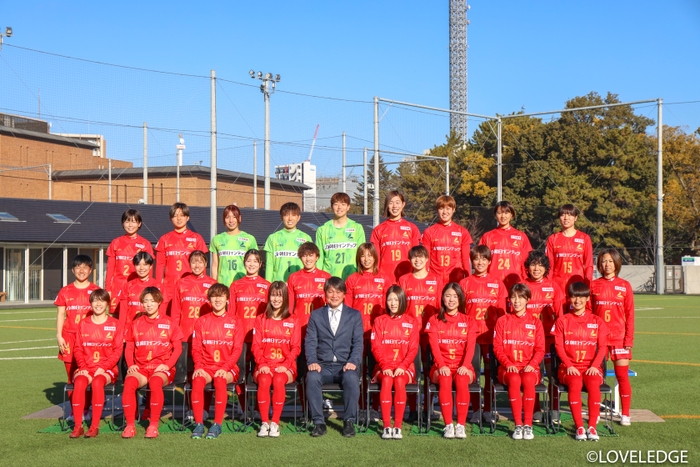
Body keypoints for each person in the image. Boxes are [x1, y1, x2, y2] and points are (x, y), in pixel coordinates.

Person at [305, 277, 364, 438]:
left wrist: (353, 361)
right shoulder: (316, 315)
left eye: (338, 292)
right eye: (330, 292)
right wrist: (312, 361)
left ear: (344, 294)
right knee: (312, 377)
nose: (334, 295)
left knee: (351, 378)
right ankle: (318, 422)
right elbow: (310, 342)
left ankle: (349, 421)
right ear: (325, 294)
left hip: (345, 365)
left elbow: (358, 343)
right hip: (322, 365)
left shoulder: (354, 315)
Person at [121, 287, 183, 439]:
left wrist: (167, 365)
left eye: (152, 301)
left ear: (159, 302)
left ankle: (153, 425)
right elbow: (129, 348)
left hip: (161, 368)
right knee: (129, 383)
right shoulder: (135, 323)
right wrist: (131, 365)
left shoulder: (169, 322)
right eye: (145, 301)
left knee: (155, 382)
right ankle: (130, 425)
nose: (149, 304)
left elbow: (178, 349)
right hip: (141, 369)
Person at [458, 245, 507, 424]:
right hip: (471, 338)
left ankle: (487, 409)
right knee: (472, 375)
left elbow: (502, 314)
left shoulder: (497, 283)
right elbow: (460, 313)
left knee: (489, 375)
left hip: (491, 337)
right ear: (472, 261)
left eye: (483, 259)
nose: (480, 262)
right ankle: (476, 409)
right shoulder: (464, 283)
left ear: (489, 261)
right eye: (476, 258)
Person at [190, 283, 245, 440]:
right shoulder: (201, 321)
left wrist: (226, 367)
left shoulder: (235, 321)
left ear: (227, 299)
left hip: (228, 368)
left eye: (221, 296)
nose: (217, 299)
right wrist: (198, 367)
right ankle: (199, 424)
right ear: (209, 300)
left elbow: (237, 349)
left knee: (220, 380)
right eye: (214, 296)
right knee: (197, 380)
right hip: (206, 366)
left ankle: (217, 424)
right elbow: (196, 348)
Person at [554, 282, 608, 441]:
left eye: (581, 297)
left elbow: (603, 347)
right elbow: (558, 347)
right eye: (573, 297)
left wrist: (595, 366)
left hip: (591, 367)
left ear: (587, 298)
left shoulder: (597, 321)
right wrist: (569, 365)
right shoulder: (562, 321)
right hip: (568, 368)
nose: (577, 300)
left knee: (593, 382)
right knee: (576, 382)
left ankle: (592, 427)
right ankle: (579, 427)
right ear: (569, 298)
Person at [424, 283, 478, 439]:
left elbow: (471, 348)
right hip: (441, 367)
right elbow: (434, 347)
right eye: (448, 296)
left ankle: (460, 425)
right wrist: (441, 365)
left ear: (460, 299)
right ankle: (448, 425)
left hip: (463, 367)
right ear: (442, 298)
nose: (451, 300)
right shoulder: (434, 320)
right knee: (445, 378)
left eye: (455, 296)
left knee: (461, 379)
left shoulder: (469, 320)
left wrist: (465, 366)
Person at [493, 283, 545, 441]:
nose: (516, 301)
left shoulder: (536, 323)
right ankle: (518, 425)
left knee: (528, 378)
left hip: (529, 368)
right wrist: (508, 364)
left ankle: (528, 425)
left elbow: (540, 349)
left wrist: (532, 365)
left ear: (527, 299)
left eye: (520, 297)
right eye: (513, 297)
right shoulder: (502, 321)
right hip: (507, 368)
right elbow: (497, 347)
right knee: (515, 379)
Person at [69, 288, 123, 438]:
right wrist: (83, 367)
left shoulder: (115, 324)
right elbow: (77, 348)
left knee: (98, 382)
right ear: (90, 303)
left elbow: (118, 350)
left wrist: (104, 367)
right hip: (86, 367)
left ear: (107, 303)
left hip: (106, 369)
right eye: (95, 301)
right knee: (80, 381)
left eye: (102, 301)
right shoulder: (83, 324)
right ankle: (78, 426)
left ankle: (94, 426)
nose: (98, 304)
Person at [590, 248, 634, 426]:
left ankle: (626, 414)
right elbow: (590, 313)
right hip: (598, 339)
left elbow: (630, 315)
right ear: (599, 264)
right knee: (596, 378)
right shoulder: (593, 285)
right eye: (603, 261)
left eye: (610, 261)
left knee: (622, 376)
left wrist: (628, 339)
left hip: (619, 338)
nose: (607, 264)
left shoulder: (625, 285)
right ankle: (595, 412)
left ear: (616, 263)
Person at [398, 245, 442, 422]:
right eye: (414, 257)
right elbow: (400, 307)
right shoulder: (404, 280)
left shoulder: (436, 280)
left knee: (430, 370)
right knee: (412, 370)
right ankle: (412, 409)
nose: (418, 260)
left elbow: (440, 307)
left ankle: (428, 408)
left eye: (421, 256)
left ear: (427, 259)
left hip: (430, 333)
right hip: (410, 333)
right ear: (410, 260)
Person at [252, 282, 301, 438]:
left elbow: (296, 347)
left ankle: (275, 423)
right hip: (264, 365)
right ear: (269, 297)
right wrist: (262, 364)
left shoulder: (293, 320)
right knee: (264, 380)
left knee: (279, 379)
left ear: (285, 297)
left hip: (286, 366)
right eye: (273, 295)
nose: (276, 299)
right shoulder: (260, 319)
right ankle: (264, 422)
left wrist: (286, 365)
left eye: (280, 295)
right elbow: (255, 346)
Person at [370, 285, 419, 440]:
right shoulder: (379, 321)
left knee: (398, 380)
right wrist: (384, 365)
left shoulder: (411, 322)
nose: (392, 303)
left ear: (402, 300)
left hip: (404, 368)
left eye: (396, 300)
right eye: (390, 299)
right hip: (383, 367)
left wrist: (403, 366)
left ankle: (397, 426)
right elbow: (375, 347)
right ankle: (386, 426)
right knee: (386, 379)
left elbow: (413, 349)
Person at [55, 254, 100, 418]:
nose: (81, 270)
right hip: (69, 338)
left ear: (90, 270)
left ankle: (86, 409)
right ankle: (75, 411)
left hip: (89, 338)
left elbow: (101, 315)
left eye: (85, 267)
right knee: (72, 376)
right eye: (78, 267)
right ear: (73, 270)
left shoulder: (96, 291)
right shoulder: (65, 291)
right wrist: (59, 336)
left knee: (88, 374)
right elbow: (61, 314)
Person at [523, 250, 565, 422]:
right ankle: (535, 409)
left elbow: (560, 316)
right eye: (533, 264)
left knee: (552, 374)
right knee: (533, 373)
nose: (536, 268)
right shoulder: (522, 286)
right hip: (527, 340)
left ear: (546, 268)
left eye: (540, 265)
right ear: (528, 267)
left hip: (548, 339)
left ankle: (554, 408)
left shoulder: (553, 287)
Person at [154, 202, 208, 311]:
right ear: (171, 219)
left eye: (182, 215)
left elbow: (202, 266)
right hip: (169, 288)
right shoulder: (164, 239)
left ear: (187, 218)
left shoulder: (197, 238)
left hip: (190, 286)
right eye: (175, 215)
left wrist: (202, 284)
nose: (179, 218)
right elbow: (159, 265)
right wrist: (159, 286)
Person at [105, 209, 154, 315]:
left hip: (138, 287)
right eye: (127, 221)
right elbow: (110, 268)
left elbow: (149, 268)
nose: (130, 225)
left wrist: (149, 287)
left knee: (138, 316)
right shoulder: (116, 242)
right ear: (123, 223)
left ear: (139, 224)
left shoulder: (145, 244)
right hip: (118, 287)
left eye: (134, 221)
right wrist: (108, 289)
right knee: (117, 316)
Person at [478, 201, 532, 291]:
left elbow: (527, 261)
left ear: (512, 215)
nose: (503, 216)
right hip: (493, 282)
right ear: (495, 215)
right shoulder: (487, 236)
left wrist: (526, 279)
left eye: (506, 213)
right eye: (499, 213)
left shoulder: (521, 236)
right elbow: (480, 260)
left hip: (516, 282)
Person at [370, 190, 421, 283]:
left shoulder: (412, 228)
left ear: (403, 204)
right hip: (385, 277)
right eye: (391, 203)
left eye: (397, 202)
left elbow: (416, 255)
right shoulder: (378, 230)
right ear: (387, 205)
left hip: (407, 276)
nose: (394, 206)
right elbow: (375, 257)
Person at [421, 195, 473, 284]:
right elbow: (426, 258)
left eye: (448, 208)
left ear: (454, 210)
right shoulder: (429, 232)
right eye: (441, 208)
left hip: (456, 279)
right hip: (435, 279)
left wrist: (468, 279)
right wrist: (425, 278)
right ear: (437, 210)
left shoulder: (462, 232)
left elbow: (465, 259)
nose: (445, 212)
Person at [344, 243, 393, 338]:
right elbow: (347, 306)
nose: (366, 259)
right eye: (363, 256)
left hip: (378, 327)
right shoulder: (352, 279)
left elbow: (387, 305)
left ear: (375, 257)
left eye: (370, 255)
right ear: (358, 258)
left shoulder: (384, 279)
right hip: (357, 326)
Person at [315, 192, 366, 279]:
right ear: (331, 206)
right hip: (329, 279)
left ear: (348, 207)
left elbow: (362, 254)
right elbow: (319, 258)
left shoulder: (357, 228)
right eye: (336, 204)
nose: (339, 207)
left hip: (352, 279)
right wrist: (319, 278)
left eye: (343, 204)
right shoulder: (322, 229)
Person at [170, 250, 216, 344]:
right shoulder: (181, 283)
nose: (197, 265)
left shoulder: (212, 284)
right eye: (194, 262)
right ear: (189, 264)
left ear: (205, 264)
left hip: (205, 332)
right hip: (184, 333)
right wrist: (175, 332)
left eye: (200, 262)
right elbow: (175, 311)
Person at [545, 204, 593, 292]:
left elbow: (588, 265)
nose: (566, 218)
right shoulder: (553, 239)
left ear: (576, 218)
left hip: (578, 287)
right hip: (557, 286)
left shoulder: (584, 238)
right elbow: (549, 265)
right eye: (563, 215)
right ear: (559, 218)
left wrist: (587, 284)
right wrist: (548, 284)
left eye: (570, 215)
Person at [287, 242, 331, 339]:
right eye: (304, 256)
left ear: (317, 257)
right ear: (300, 258)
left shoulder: (326, 277)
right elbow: (289, 306)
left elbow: (330, 304)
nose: (308, 259)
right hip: (299, 326)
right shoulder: (293, 278)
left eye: (311, 255)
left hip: (320, 327)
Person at [229, 249, 271, 344]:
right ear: (244, 263)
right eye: (248, 261)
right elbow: (231, 312)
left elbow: (269, 313)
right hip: (240, 334)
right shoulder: (235, 285)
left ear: (260, 264)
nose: (251, 264)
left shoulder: (267, 285)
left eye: (255, 261)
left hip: (260, 334)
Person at [263, 202, 312, 282]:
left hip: (300, 283)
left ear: (298, 217)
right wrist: (268, 284)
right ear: (281, 217)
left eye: (293, 215)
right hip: (278, 285)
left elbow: (311, 263)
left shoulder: (306, 238)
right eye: (286, 215)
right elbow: (269, 264)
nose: (290, 219)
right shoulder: (273, 238)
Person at [209, 204, 257, 286]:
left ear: (239, 218)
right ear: (224, 219)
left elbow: (255, 264)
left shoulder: (249, 239)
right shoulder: (217, 239)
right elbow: (214, 265)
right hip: (223, 286)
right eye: (227, 217)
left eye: (234, 217)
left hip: (243, 285)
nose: (231, 220)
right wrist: (214, 284)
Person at [117, 252, 160, 334]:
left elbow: (161, 312)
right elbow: (123, 313)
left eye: (145, 264)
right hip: (130, 330)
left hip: (152, 331)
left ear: (151, 266)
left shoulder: (158, 286)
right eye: (138, 264)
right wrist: (121, 333)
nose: (141, 268)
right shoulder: (127, 286)